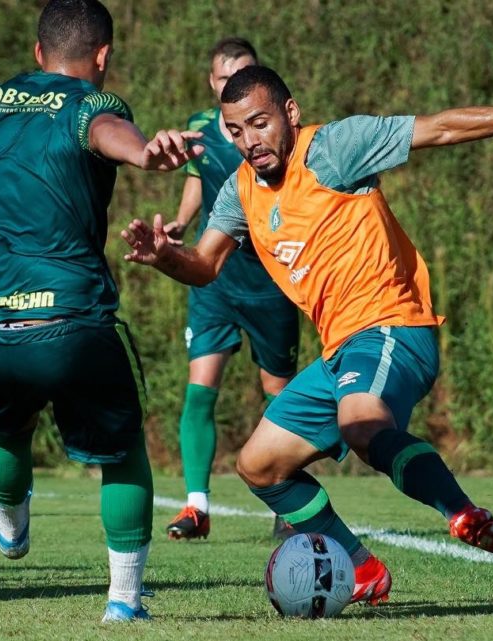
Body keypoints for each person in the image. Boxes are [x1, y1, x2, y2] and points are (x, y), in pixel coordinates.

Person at [122, 65, 493, 605]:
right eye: (236, 131)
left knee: (361, 426)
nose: (250, 142)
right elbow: (204, 266)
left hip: (392, 324)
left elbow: (439, 128)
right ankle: (360, 566)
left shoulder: (333, 149)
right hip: (340, 351)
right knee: (259, 465)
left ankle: (461, 511)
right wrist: (164, 258)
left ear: (290, 114)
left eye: (260, 123)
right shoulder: (240, 192)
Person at [0, 0, 202, 622]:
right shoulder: (95, 104)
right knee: (120, 447)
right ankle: (124, 603)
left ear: (37, 53)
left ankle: (11, 524)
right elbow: (110, 137)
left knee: (3, 421)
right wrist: (145, 155)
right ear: (102, 57)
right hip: (68, 320)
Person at [160, 37, 300, 542]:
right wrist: (179, 223)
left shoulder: (274, 132)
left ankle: (288, 496)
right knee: (201, 388)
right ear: (211, 83)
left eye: (241, 74)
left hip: (270, 283)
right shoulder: (199, 130)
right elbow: (199, 179)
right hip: (214, 281)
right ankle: (196, 507)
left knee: (278, 394)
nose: (230, 85)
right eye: (222, 79)